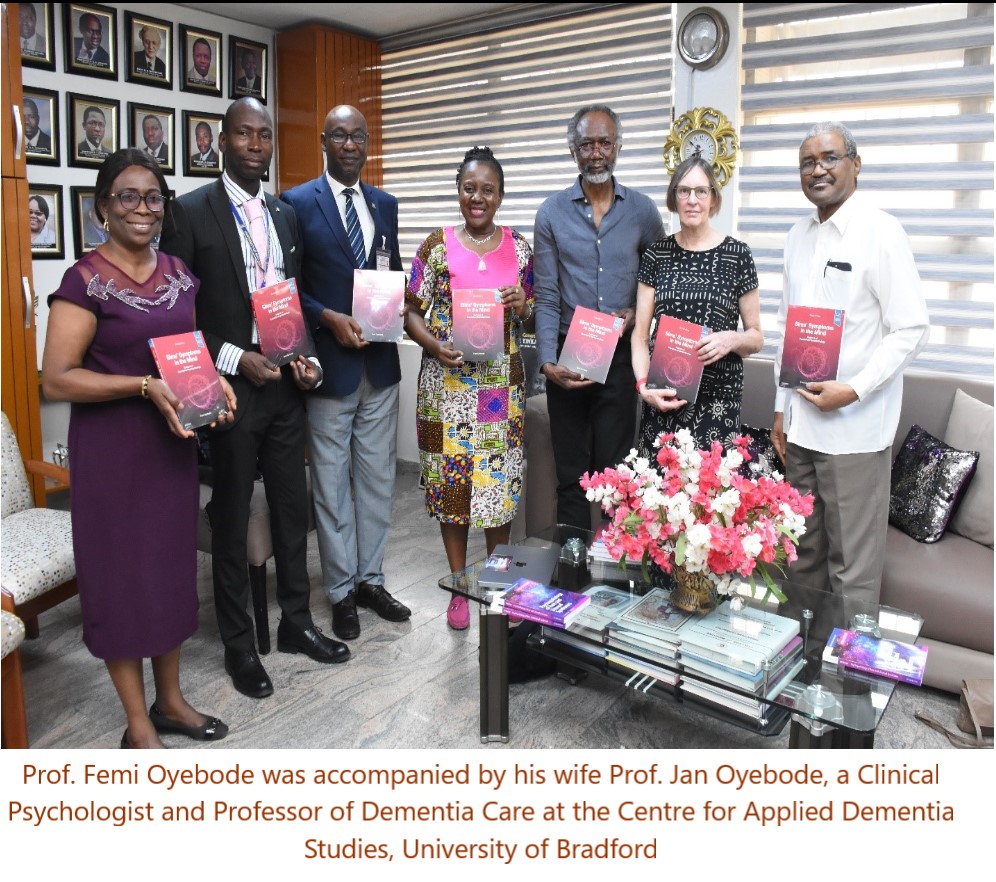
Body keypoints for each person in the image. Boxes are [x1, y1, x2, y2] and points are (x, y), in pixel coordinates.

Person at [40, 148, 234, 748]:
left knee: (171, 576)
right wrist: (142, 385)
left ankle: (171, 700)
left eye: (154, 197)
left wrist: (212, 382)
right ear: (102, 208)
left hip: (169, 451)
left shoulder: (178, 272)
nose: (143, 208)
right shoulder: (84, 280)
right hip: (112, 455)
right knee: (122, 584)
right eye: (127, 196)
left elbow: (186, 349)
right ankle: (138, 723)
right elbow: (56, 377)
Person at [160, 98, 349, 699]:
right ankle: (241, 646)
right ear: (222, 141)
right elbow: (178, 316)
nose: (254, 145)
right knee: (235, 519)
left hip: (286, 388)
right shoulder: (189, 213)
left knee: (295, 513)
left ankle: (296, 623)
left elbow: (288, 297)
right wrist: (237, 359)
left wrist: (308, 360)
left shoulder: (283, 213)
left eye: (264, 136)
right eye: (243, 134)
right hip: (229, 391)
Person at [772, 122, 930, 605]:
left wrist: (855, 388)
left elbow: (912, 329)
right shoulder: (798, 235)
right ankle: (803, 671)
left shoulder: (881, 232)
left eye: (829, 158)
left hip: (854, 432)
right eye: (806, 162)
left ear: (855, 165)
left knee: (852, 572)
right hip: (800, 430)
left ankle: (851, 683)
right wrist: (782, 410)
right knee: (800, 556)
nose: (817, 169)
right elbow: (788, 329)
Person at [279, 104, 411, 641]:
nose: (350, 144)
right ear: (324, 141)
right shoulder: (296, 203)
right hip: (328, 370)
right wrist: (326, 318)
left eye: (359, 135)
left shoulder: (385, 202)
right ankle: (339, 591)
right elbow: (286, 285)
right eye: (340, 135)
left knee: (378, 483)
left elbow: (391, 268)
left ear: (367, 142)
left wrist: (401, 300)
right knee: (332, 488)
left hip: (379, 365)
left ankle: (371, 580)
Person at [404, 146, 534, 630]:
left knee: (496, 490)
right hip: (446, 386)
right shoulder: (434, 247)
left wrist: (523, 303)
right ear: (458, 190)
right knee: (453, 489)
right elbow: (411, 311)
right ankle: (459, 586)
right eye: (469, 188)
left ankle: (496, 584)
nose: (477, 198)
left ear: (500, 196)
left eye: (487, 190)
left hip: (501, 391)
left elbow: (535, 312)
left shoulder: (521, 248)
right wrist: (435, 347)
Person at [533, 103, 664, 531]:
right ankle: (572, 570)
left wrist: (635, 316)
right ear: (573, 151)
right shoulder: (551, 214)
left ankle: (615, 576)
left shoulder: (643, 212)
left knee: (616, 475)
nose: (595, 152)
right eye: (586, 143)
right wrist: (548, 362)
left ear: (618, 147)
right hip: (570, 358)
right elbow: (548, 294)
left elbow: (660, 285)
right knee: (571, 475)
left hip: (622, 360)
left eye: (603, 142)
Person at [631, 156, 762, 453]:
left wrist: (733, 338)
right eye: (684, 191)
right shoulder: (656, 255)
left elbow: (756, 337)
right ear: (674, 197)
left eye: (701, 191)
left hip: (719, 402)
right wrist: (643, 388)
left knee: (712, 495)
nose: (692, 200)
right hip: (664, 397)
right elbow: (639, 335)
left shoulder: (737, 254)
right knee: (657, 494)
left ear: (713, 198)